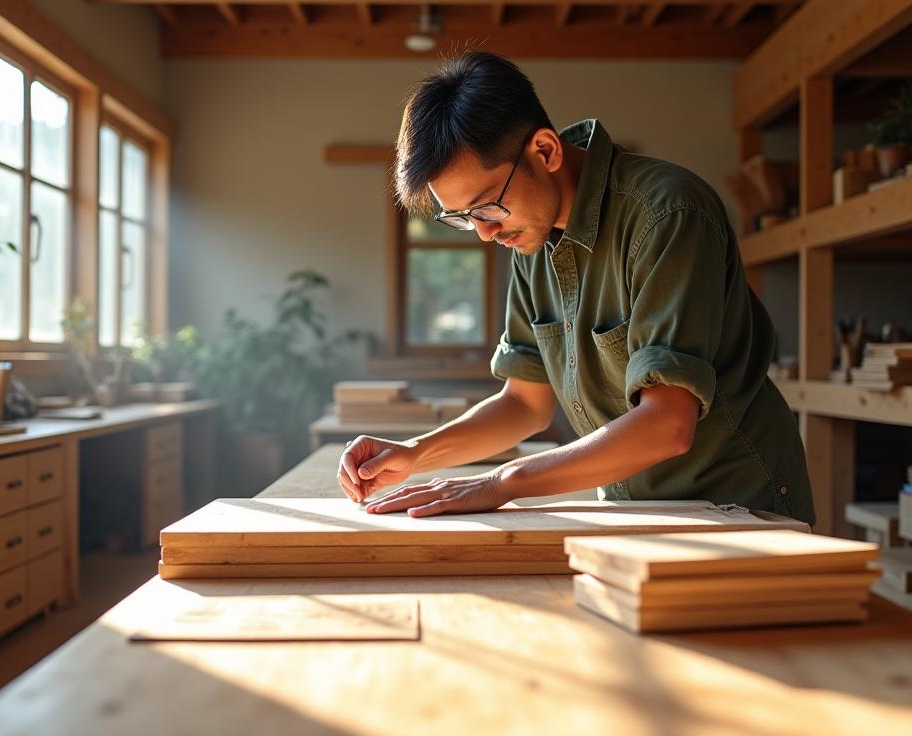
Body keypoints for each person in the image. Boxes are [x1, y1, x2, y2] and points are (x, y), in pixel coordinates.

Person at [336, 51, 813, 525]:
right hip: (638, 510)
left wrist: (500, 484)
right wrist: (415, 454)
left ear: (544, 151)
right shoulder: (529, 236)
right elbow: (524, 403)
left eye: (485, 207)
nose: (484, 233)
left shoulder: (667, 214)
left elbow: (668, 425)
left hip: (741, 505)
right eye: (461, 219)